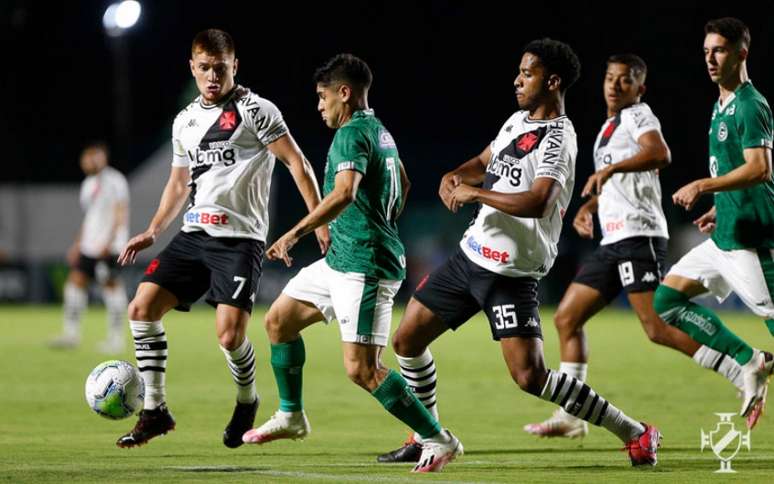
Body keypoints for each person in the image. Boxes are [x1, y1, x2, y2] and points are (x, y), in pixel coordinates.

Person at [378, 38, 661, 468]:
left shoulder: (559, 139)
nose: (517, 80)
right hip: (469, 258)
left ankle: (635, 431)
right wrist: (455, 175)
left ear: (552, 81)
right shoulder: (516, 121)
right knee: (406, 340)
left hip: (511, 273)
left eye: (527, 74)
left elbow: (539, 202)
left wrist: (475, 193)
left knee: (530, 377)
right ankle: (428, 435)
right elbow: (481, 160)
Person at [241, 53, 461, 473]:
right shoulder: (380, 133)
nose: (319, 105)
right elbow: (404, 183)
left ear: (345, 93)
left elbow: (343, 193)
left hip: (365, 263)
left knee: (363, 369)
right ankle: (291, 415)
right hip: (343, 257)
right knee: (279, 322)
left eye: (323, 97)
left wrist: (295, 232)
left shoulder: (350, 134)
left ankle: (438, 439)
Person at [114, 28, 329, 449]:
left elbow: (297, 163)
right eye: (205, 68)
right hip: (194, 233)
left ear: (235, 66)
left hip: (240, 239)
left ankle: (247, 400)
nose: (213, 76)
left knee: (230, 337)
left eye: (221, 68)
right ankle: (155, 411)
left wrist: (319, 221)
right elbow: (178, 185)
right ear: (192, 68)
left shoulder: (257, 110)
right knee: (141, 308)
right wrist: (154, 230)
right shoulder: (185, 121)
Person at [523, 54, 746, 439]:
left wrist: (608, 170)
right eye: (610, 78)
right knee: (566, 319)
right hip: (613, 238)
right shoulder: (609, 126)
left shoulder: (638, 115)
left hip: (639, 235)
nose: (614, 85)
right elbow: (623, 183)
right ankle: (571, 414)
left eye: (625, 80)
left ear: (639, 89)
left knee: (656, 326)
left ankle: (738, 370)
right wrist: (591, 206)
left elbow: (660, 153)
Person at [653, 17, 774, 430]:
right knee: (666, 301)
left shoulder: (750, 104)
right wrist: (720, 206)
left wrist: (704, 185)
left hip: (752, 243)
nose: (709, 58)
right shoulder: (721, 103)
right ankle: (749, 359)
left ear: (741, 52)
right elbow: (739, 171)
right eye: (706, 51)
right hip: (725, 235)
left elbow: (760, 169)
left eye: (718, 50)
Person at [49, 142, 129, 354]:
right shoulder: (88, 184)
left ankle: (116, 339)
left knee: (110, 287)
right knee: (74, 284)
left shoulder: (115, 180)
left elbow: (120, 212)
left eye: (93, 158)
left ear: (102, 158)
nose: (88, 162)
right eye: (85, 159)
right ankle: (71, 334)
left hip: (109, 246)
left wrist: (110, 242)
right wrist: (77, 244)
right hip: (89, 245)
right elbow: (90, 217)